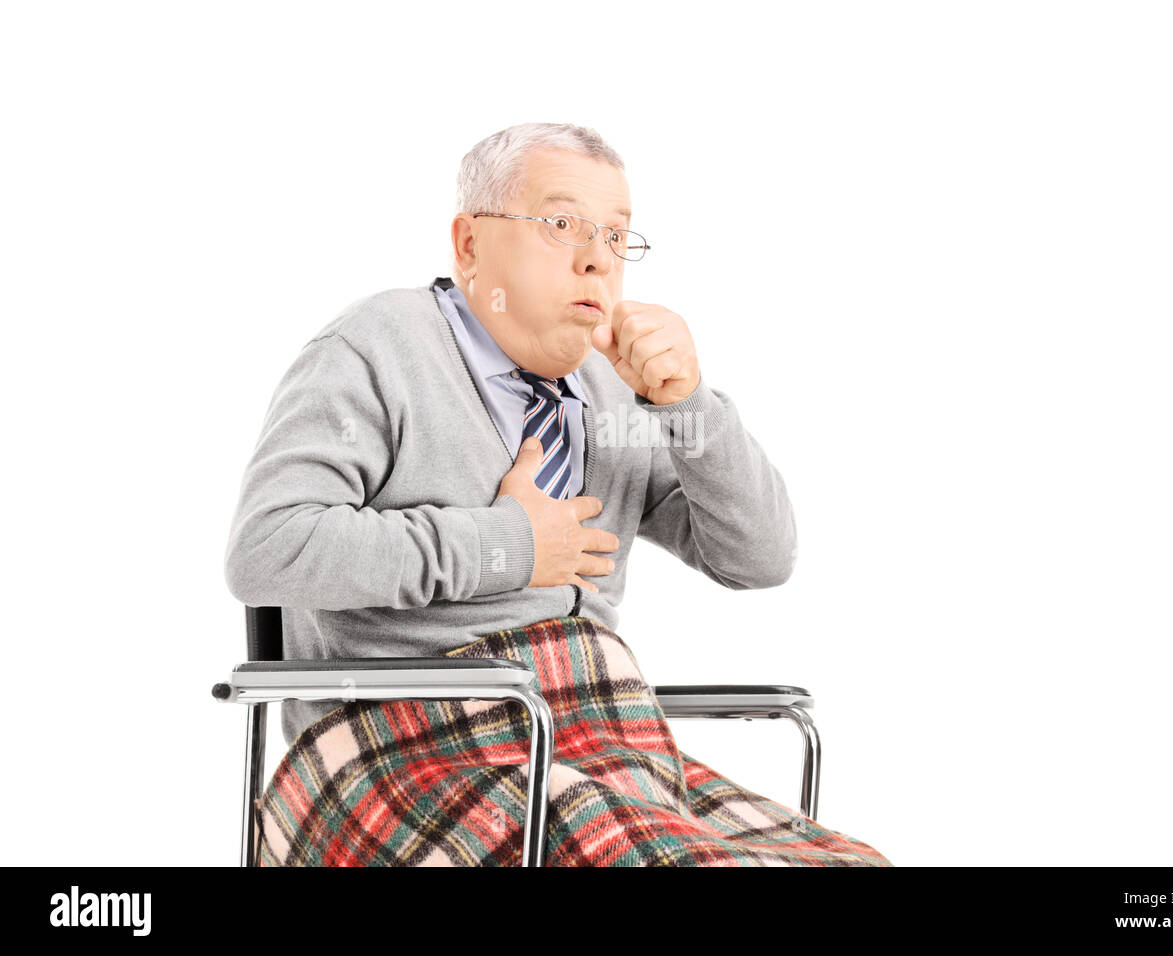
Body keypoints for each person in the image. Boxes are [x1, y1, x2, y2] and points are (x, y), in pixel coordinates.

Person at [224, 122, 890, 866]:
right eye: (563, 224)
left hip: (604, 740)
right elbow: (267, 549)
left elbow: (760, 557)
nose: (596, 259)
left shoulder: (612, 391)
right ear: (471, 244)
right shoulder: (377, 347)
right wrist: (509, 545)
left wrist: (686, 402)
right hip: (403, 746)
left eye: (616, 237)